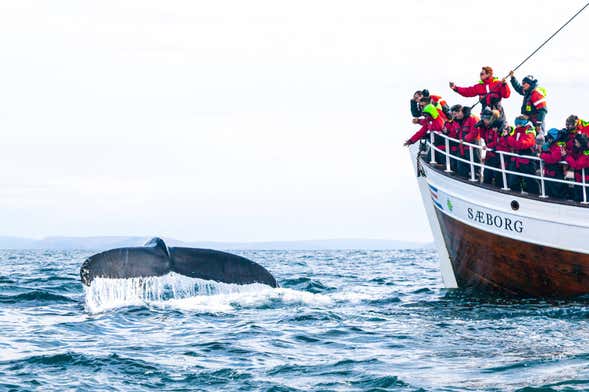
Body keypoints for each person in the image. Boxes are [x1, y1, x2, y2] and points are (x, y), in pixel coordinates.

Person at [506, 116, 540, 194]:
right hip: (518, 159)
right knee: (513, 180)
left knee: (531, 181)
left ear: (524, 123)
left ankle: (536, 196)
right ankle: (515, 194)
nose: (517, 125)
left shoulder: (529, 130)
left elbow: (523, 144)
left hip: (527, 160)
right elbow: (512, 142)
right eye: (516, 123)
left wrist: (509, 138)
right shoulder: (517, 131)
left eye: (519, 123)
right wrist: (507, 137)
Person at [509, 72, 547, 142]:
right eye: (522, 83)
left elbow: (543, 110)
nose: (522, 85)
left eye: (524, 83)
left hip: (536, 122)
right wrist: (512, 78)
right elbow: (519, 88)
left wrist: (538, 124)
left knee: (538, 140)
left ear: (529, 84)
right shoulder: (527, 92)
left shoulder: (536, 94)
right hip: (529, 121)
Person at [477, 108, 508, 187]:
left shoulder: (498, 127)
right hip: (490, 155)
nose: (484, 120)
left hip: (497, 156)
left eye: (486, 118)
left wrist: (488, 146)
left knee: (498, 177)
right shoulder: (487, 128)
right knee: (487, 176)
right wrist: (482, 128)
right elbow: (484, 137)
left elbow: (498, 141)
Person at [539, 128, 567, 199]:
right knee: (548, 189)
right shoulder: (549, 145)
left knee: (556, 192)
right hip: (549, 173)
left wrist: (542, 155)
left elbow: (554, 159)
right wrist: (544, 151)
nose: (548, 139)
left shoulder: (558, 146)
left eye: (550, 137)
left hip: (556, 173)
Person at [564, 133, 589, 202]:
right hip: (579, 179)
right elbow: (574, 156)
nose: (575, 144)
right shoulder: (580, 150)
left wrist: (566, 156)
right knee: (579, 195)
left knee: (584, 196)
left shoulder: (586, 153)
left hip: (585, 180)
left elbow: (577, 165)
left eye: (576, 142)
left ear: (581, 143)